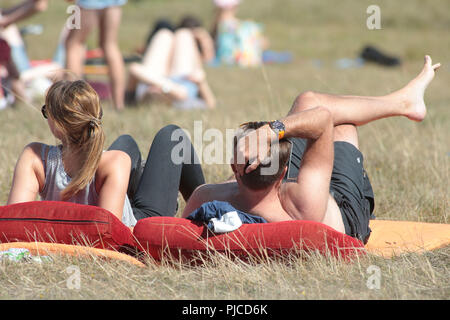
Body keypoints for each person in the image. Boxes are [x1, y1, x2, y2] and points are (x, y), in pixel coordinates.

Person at [181, 56, 441, 244]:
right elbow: (323, 119)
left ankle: (405, 103)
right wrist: (271, 131)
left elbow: (176, 234)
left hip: (252, 190)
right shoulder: (303, 202)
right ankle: (405, 102)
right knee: (343, 125)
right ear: (284, 173)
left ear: (233, 167)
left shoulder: (206, 196)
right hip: (343, 210)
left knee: (309, 105)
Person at [7, 80, 206, 229]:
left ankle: (142, 183)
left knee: (126, 142)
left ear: (57, 125)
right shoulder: (115, 162)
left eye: (46, 112)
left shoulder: (34, 157)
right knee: (172, 136)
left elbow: (13, 222)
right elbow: (109, 234)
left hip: (115, 202)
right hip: (140, 224)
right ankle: (208, 206)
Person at [126, 22, 216, 110]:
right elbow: (210, 104)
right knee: (184, 35)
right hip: (181, 80)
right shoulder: (182, 103)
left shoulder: (144, 91)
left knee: (164, 34)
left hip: (155, 78)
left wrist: (166, 87)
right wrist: (201, 82)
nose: (155, 91)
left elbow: (134, 68)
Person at [65, 0, 126, 111]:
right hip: (114, 2)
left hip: (88, 3)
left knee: (73, 45)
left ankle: (74, 105)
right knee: (110, 45)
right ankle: (119, 104)